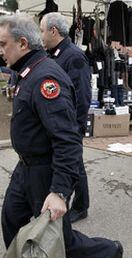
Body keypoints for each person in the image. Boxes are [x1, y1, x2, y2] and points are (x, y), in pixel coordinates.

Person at [0, 14, 123, 258]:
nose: (0, 51)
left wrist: (60, 191)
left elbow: (68, 139)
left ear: (22, 43)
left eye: (3, 44)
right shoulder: (28, 69)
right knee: (11, 217)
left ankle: (109, 252)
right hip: (27, 167)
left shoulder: (45, 78)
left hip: (46, 170)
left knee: (62, 240)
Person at [40, 12, 91, 223]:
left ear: (54, 31)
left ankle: (80, 206)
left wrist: (75, 128)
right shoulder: (54, 55)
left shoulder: (74, 56)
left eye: (42, 30)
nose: (40, 35)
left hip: (70, 126)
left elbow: (82, 97)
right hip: (58, 124)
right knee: (69, 164)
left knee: (75, 166)